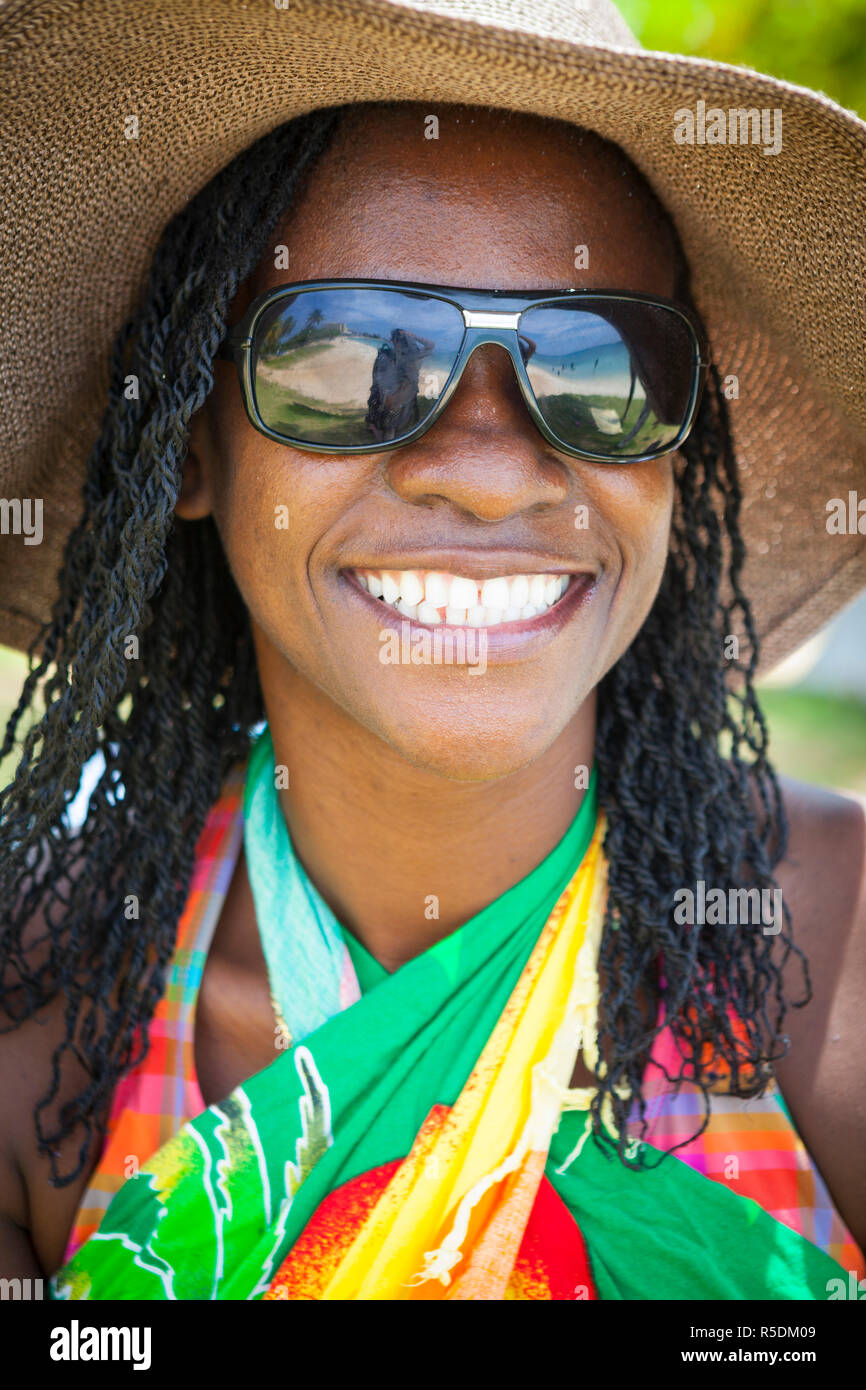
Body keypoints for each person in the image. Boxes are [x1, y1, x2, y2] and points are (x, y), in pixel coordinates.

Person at [0, 0, 864, 1301]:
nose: (489, 469)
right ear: (187, 437)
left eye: (600, 365)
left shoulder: (829, 955)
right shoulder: (42, 1006)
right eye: (351, 357)